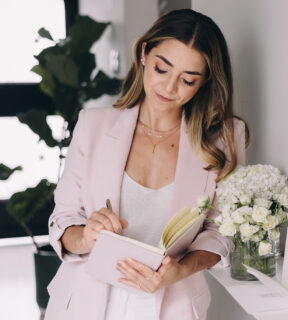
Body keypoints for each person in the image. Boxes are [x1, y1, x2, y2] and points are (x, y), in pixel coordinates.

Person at [45, 9, 249, 320]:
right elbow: (63, 220)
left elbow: (222, 232)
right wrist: (86, 235)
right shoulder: (93, 125)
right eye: (161, 68)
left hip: (172, 305)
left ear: (205, 80)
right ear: (144, 53)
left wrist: (179, 270)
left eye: (188, 79)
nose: (169, 88)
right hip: (85, 303)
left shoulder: (225, 139)